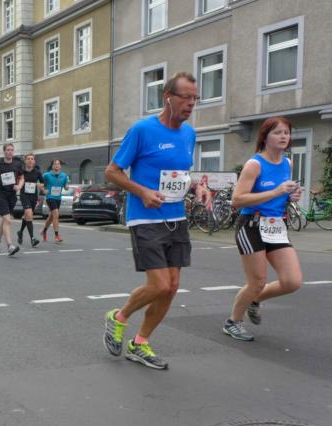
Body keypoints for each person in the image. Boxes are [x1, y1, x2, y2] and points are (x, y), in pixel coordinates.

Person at [103, 72, 209, 370]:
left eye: (195, 98)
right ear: (168, 97)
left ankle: (140, 343)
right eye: (185, 97)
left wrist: (197, 187)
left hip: (177, 218)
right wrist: (142, 192)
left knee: (172, 287)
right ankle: (118, 317)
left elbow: (181, 173)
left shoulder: (189, 134)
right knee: (160, 285)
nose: (191, 103)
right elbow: (112, 172)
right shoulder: (143, 130)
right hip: (145, 218)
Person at [224, 116, 303, 341]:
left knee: (292, 281)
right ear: (265, 137)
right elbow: (237, 200)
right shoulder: (255, 165)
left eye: (286, 132)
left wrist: (291, 196)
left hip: (276, 226)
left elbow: (282, 195)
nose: (283, 136)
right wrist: (276, 192)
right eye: (277, 132)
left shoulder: (288, 163)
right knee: (257, 281)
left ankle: (255, 300)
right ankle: (233, 322)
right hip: (251, 226)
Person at [0, 143, 22, 256]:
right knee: (8, 220)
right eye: (8, 150)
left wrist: (19, 186)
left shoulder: (17, 164)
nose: (10, 152)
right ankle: (10, 246)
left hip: (12, 195)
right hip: (1, 194)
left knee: (5, 220)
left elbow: (22, 177)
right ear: (4, 151)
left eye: (11, 150)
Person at [41, 159, 69, 243]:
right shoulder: (46, 175)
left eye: (58, 164)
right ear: (52, 166)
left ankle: (44, 230)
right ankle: (57, 235)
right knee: (56, 214)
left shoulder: (64, 175)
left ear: (60, 166)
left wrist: (67, 187)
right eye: (55, 164)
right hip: (50, 197)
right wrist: (43, 190)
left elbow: (65, 186)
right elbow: (40, 183)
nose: (57, 165)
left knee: (51, 217)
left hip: (58, 198)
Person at [18, 154, 42, 247]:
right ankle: (32, 238)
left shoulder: (37, 172)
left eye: (32, 159)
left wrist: (40, 185)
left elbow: (43, 182)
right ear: (25, 161)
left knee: (27, 216)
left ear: (34, 161)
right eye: (28, 159)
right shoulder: (21, 172)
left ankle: (20, 232)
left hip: (33, 197)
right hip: (24, 195)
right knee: (29, 214)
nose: (30, 160)